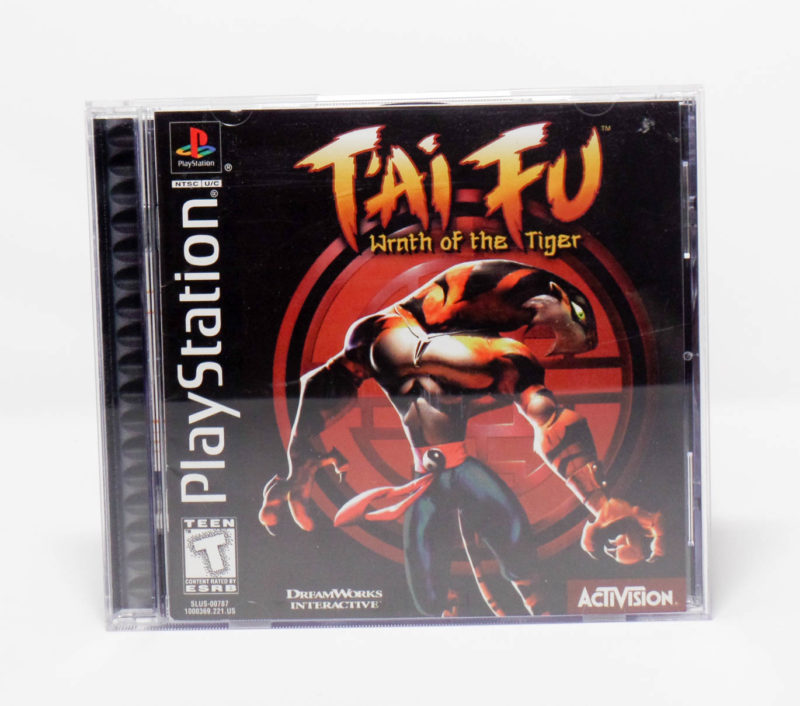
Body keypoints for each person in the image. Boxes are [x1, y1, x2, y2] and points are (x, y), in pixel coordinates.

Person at [259, 259, 663, 616]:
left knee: (488, 565)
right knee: (446, 587)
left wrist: (299, 455)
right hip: (438, 464)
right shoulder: (496, 354)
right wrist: (599, 501)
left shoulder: (377, 338)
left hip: (438, 459)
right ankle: (508, 608)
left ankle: (524, 609)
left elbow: (321, 383)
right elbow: (550, 417)